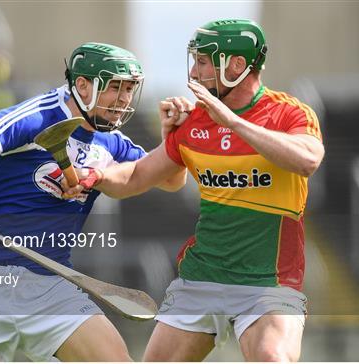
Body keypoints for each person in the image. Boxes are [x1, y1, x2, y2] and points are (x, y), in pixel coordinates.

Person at [66, 20, 325, 362]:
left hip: (269, 283)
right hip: (203, 279)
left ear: (235, 65)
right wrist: (96, 175)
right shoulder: (194, 122)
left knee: (273, 358)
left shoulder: (288, 112)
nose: (193, 72)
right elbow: (138, 175)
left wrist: (232, 121)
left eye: (203, 62)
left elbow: (307, 159)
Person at [0, 42, 185, 362]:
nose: (123, 99)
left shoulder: (110, 141)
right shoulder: (38, 115)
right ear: (82, 85)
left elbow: (172, 180)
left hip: (50, 290)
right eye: (115, 88)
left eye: (129, 89)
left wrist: (170, 138)